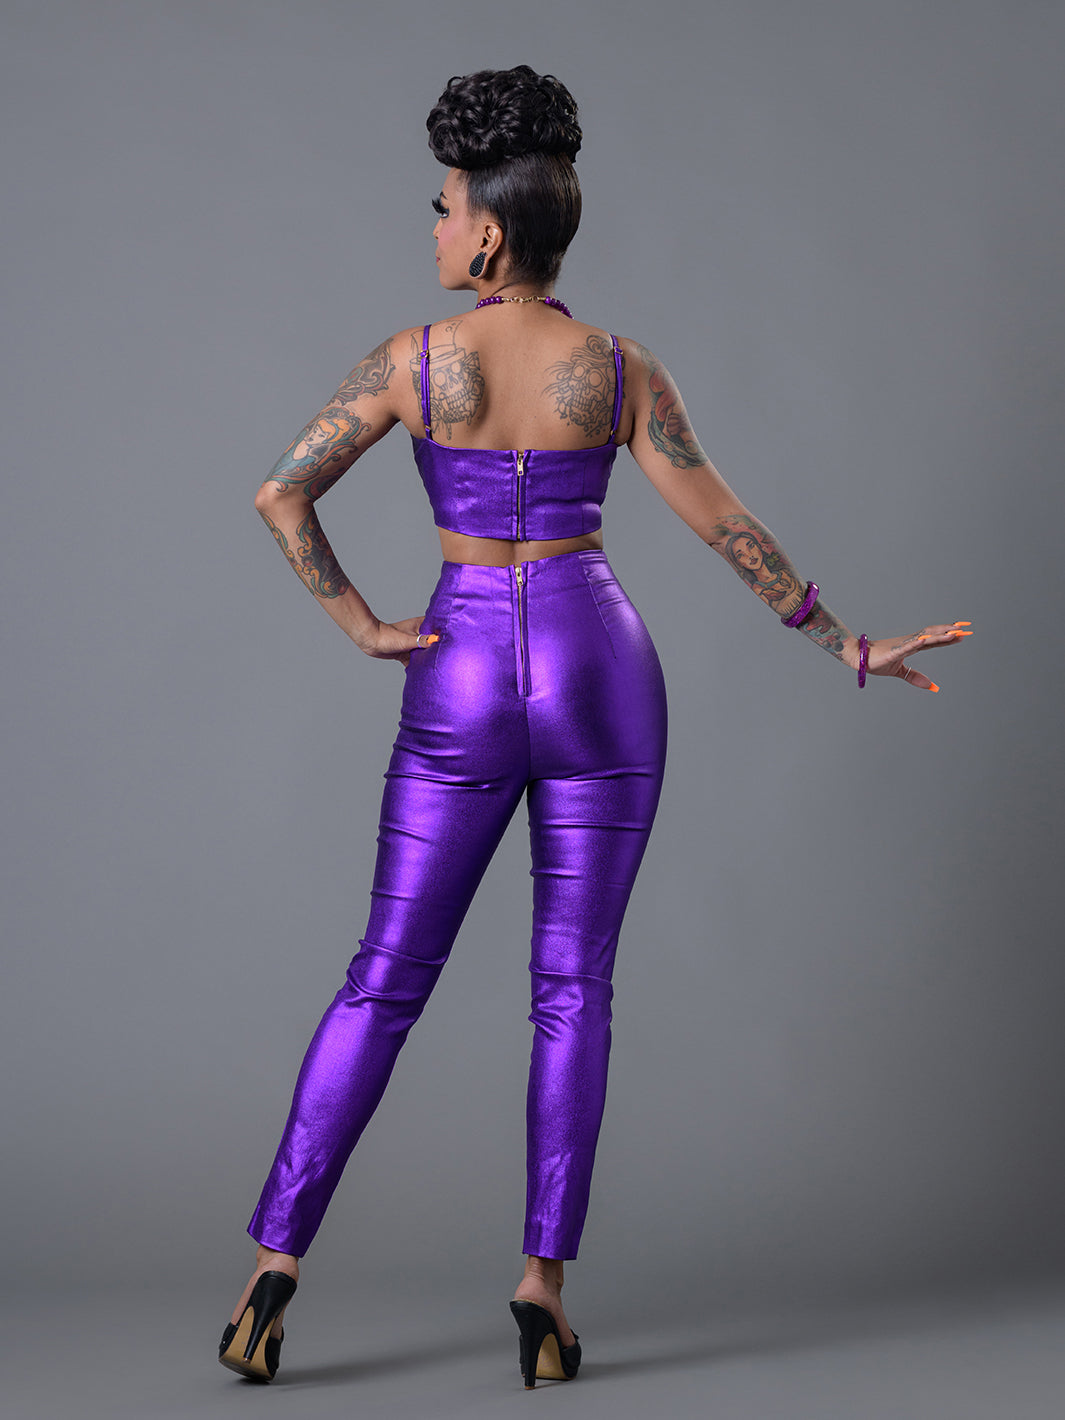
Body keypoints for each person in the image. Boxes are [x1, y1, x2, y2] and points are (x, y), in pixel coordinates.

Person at [218, 64, 971, 1389]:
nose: (435, 225)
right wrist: (846, 644)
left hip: (457, 667)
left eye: (444, 207)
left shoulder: (412, 363)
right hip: (598, 669)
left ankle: (270, 1276)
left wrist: (362, 625)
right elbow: (728, 527)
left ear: (488, 236)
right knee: (573, 989)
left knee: (383, 978)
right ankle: (542, 1298)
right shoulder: (619, 370)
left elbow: (282, 494)